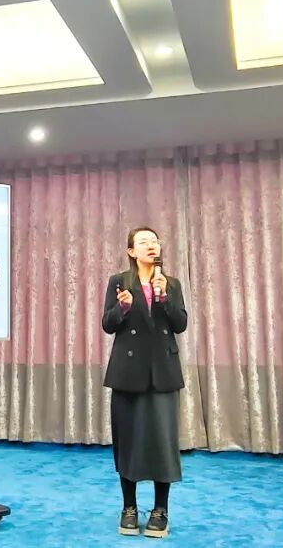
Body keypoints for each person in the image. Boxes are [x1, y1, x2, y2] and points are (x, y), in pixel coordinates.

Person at [101, 226, 188, 538]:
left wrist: (164, 298)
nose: (151, 246)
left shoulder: (171, 283)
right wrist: (122, 307)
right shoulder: (119, 282)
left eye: (154, 241)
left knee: (163, 443)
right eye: (143, 242)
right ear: (131, 251)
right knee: (128, 441)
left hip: (163, 372)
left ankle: (160, 509)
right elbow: (108, 324)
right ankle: (129, 507)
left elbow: (180, 323)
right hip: (128, 372)